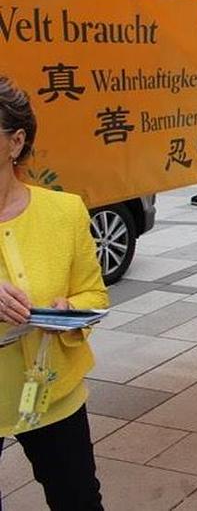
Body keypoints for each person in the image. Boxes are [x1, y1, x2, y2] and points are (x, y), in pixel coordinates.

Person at [0, 75, 109, 510]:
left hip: (51, 393)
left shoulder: (64, 211)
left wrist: (69, 310)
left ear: (15, 142)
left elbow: (93, 294)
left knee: (77, 500)